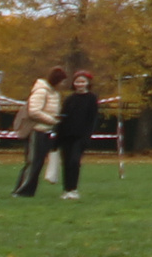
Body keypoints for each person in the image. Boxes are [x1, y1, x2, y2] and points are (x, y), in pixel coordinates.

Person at [12, 67, 67, 197]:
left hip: (45, 131)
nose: (63, 84)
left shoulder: (55, 93)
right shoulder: (41, 91)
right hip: (36, 130)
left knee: (38, 162)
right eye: (62, 81)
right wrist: (51, 120)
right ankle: (22, 190)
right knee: (33, 161)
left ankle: (29, 190)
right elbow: (34, 111)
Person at [56, 70, 100, 200]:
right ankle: (66, 189)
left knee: (75, 161)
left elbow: (92, 119)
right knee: (67, 162)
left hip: (81, 136)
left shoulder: (92, 99)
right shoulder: (69, 99)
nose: (80, 84)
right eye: (77, 82)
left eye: (82, 82)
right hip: (66, 136)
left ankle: (74, 189)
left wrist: (87, 136)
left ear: (87, 83)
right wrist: (58, 137)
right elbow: (63, 118)